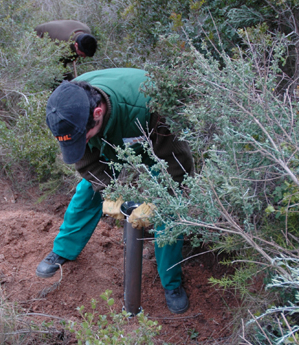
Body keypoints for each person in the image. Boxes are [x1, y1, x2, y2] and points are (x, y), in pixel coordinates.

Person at [35, 68, 194, 314]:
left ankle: (171, 283)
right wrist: (110, 193)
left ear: (97, 113)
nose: (81, 143)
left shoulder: (151, 105)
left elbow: (177, 163)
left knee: (169, 212)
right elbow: (86, 161)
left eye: (82, 138)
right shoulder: (68, 106)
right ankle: (63, 250)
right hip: (109, 143)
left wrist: (158, 202)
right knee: (86, 192)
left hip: (156, 149)